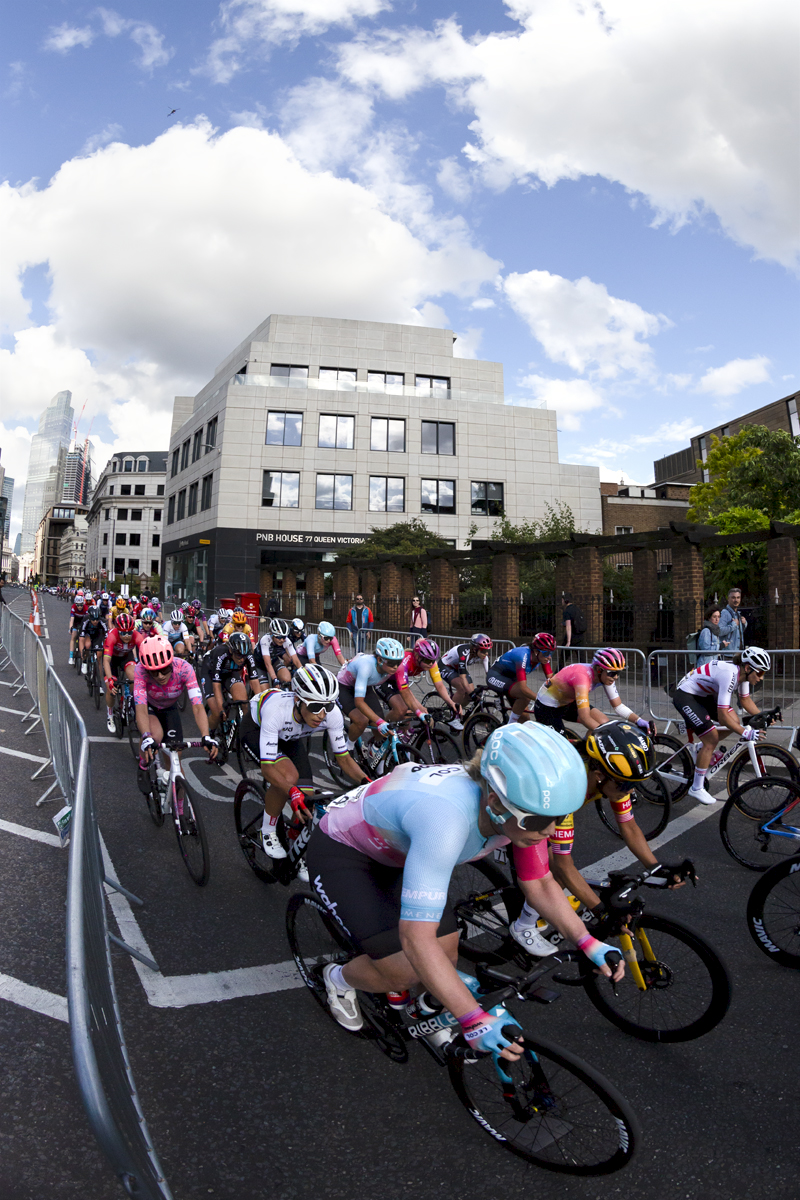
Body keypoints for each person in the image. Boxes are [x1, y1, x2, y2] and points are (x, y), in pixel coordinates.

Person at [306, 721, 623, 1042]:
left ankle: (425, 1007)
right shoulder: (447, 821)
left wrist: (588, 942)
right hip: (344, 852)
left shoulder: (522, 812)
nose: (552, 830)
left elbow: (540, 884)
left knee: (448, 952)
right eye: (542, 820)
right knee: (403, 969)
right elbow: (417, 940)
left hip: (402, 849)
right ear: (496, 803)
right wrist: (472, 1018)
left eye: (560, 817)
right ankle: (338, 978)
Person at [516, 721, 691, 951]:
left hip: (551, 803)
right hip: (526, 803)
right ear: (599, 775)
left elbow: (629, 827)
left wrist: (657, 867)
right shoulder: (568, 788)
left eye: (636, 784)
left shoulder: (612, 779)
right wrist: (601, 911)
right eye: (628, 785)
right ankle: (523, 926)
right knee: (549, 870)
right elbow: (564, 866)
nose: (631, 791)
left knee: (557, 870)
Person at [242, 665, 369, 858]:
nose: (322, 714)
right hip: (256, 728)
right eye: (315, 706)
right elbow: (268, 769)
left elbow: (344, 760)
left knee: (308, 799)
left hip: (291, 734)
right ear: (297, 700)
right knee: (288, 778)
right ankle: (266, 831)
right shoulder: (276, 711)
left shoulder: (330, 714)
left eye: (327, 706)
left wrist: (367, 783)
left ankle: (295, 843)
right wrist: (291, 791)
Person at [671, 647, 770, 803]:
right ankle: (696, 787)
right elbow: (723, 718)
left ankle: (700, 748)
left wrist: (764, 716)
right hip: (686, 695)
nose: (761, 678)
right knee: (712, 738)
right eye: (760, 673)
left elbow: (745, 701)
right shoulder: (729, 674)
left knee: (735, 721)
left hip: (703, 695)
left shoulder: (742, 675)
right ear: (747, 667)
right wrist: (745, 733)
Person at [135, 636, 218, 786]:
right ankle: (143, 765)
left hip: (169, 708)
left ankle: (178, 806)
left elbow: (198, 707)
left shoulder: (185, 669)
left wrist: (206, 735)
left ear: (171, 662)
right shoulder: (140, 669)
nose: (160, 676)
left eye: (164, 670)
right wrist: (146, 736)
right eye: (154, 673)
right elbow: (140, 706)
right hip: (150, 707)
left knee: (175, 760)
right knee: (156, 737)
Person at [534, 648, 653, 736]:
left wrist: (639, 720)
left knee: (603, 722)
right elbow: (585, 717)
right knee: (563, 747)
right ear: (599, 670)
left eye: (618, 673)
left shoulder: (606, 676)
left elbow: (618, 706)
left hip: (566, 702)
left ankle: (587, 752)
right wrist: (609, 736)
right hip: (547, 707)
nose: (616, 677)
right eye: (612, 673)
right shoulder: (582, 678)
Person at [337, 637, 404, 750]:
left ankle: (376, 754)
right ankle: (348, 748)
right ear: (379, 660)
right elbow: (359, 702)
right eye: (391, 663)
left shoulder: (393, 668)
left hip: (365, 686)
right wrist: (380, 722)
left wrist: (418, 711)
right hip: (344, 687)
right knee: (362, 721)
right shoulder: (366, 666)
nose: (395, 667)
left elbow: (405, 692)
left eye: (398, 662)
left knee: (378, 726)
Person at [374, 638, 461, 725]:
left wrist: (451, 702)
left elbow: (439, 685)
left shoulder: (431, 664)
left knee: (408, 715)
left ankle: (403, 734)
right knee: (401, 709)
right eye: (427, 660)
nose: (431, 664)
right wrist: (419, 708)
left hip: (397, 681)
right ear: (417, 656)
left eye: (433, 660)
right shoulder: (404, 661)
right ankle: (382, 731)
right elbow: (405, 691)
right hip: (383, 681)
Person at [485, 633, 555, 722]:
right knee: (525, 697)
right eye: (547, 653)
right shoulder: (522, 655)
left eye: (552, 653)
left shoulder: (543, 658)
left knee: (524, 719)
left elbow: (552, 681)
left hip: (511, 679)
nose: (549, 657)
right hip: (496, 676)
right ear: (536, 651)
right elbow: (523, 688)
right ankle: (510, 727)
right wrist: (541, 700)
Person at [205, 630, 264, 733]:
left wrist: (262, 706)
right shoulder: (221, 653)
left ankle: (246, 732)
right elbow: (216, 685)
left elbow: (255, 681)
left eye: (244, 656)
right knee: (217, 712)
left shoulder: (248, 655)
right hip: (210, 673)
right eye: (238, 656)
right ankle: (209, 734)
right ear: (231, 651)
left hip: (230, 672)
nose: (242, 659)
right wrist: (221, 708)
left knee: (243, 702)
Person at [103, 612, 144, 733]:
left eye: (129, 632)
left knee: (135, 677)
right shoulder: (112, 636)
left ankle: (131, 699)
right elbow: (106, 661)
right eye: (123, 633)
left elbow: (145, 657)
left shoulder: (137, 636)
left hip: (126, 657)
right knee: (112, 689)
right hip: (112, 660)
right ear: (117, 630)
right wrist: (110, 680)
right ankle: (109, 715)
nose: (126, 636)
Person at [438, 634, 493, 713]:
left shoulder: (484, 657)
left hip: (457, 667)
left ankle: (457, 709)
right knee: (463, 688)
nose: (486, 653)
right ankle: (452, 712)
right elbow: (462, 678)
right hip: (445, 666)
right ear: (475, 649)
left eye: (487, 650)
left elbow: (490, 675)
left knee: (469, 693)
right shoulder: (464, 653)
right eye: (483, 651)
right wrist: (472, 694)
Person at [254, 618, 302, 688]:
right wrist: (274, 679)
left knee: (287, 679)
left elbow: (296, 661)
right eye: (279, 637)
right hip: (259, 664)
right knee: (265, 690)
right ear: (272, 634)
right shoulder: (265, 640)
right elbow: (267, 664)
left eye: (284, 637)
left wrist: (304, 673)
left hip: (273, 660)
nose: (282, 640)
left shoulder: (287, 641)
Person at [78, 605, 107, 685]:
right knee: (87, 645)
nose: (95, 621)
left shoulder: (103, 621)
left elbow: (106, 638)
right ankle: (85, 661)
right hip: (87, 634)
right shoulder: (85, 620)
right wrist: (82, 654)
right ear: (89, 617)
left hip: (97, 636)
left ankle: (99, 683)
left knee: (98, 657)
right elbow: (81, 639)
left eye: (97, 619)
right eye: (93, 619)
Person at [68, 592, 87, 665]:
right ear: (75, 604)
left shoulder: (85, 608)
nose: (79, 606)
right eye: (78, 605)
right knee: (73, 637)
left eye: (81, 605)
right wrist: (71, 628)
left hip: (83, 622)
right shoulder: (73, 607)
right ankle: (71, 657)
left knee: (84, 638)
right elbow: (72, 619)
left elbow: (86, 620)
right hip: (75, 622)